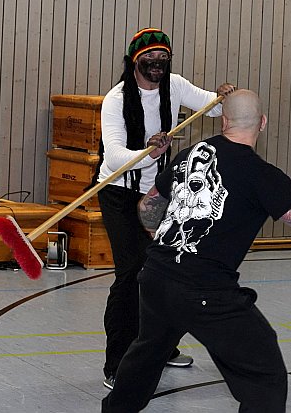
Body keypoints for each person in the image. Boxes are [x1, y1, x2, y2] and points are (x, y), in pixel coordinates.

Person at [101, 89, 291, 412]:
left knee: (145, 359)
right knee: (265, 376)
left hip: (155, 278)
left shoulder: (191, 155)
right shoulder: (260, 175)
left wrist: (173, 241)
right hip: (204, 290)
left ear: (224, 121)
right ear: (263, 123)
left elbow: (147, 208)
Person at [96, 27, 236, 390]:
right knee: (131, 274)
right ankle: (118, 362)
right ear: (134, 61)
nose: (157, 64)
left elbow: (212, 106)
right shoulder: (116, 99)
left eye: (163, 58)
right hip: (119, 193)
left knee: (168, 272)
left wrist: (225, 96)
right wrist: (148, 152)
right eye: (149, 59)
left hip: (159, 194)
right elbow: (114, 158)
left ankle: (162, 345)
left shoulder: (174, 85)